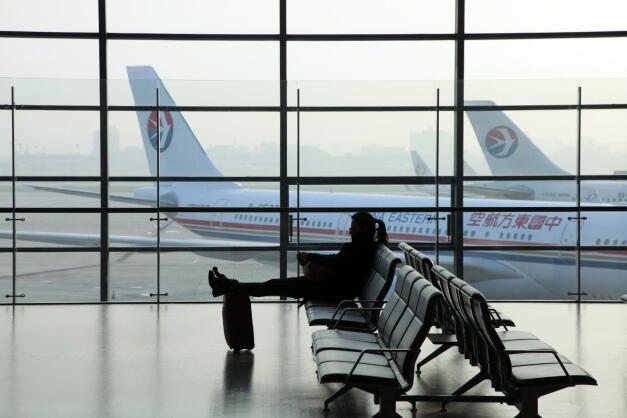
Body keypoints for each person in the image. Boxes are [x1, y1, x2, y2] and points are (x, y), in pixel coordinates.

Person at [208, 211, 388, 301]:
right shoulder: (365, 246)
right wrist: (312, 257)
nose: (349, 230)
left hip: (331, 292)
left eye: (353, 227)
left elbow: (337, 262)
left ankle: (227, 286)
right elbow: (339, 261)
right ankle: (227, 286)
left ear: (363, 229)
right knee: (272, 285)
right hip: (332, 288)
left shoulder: (359, 248)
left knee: (272, 285)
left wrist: (310, 257)